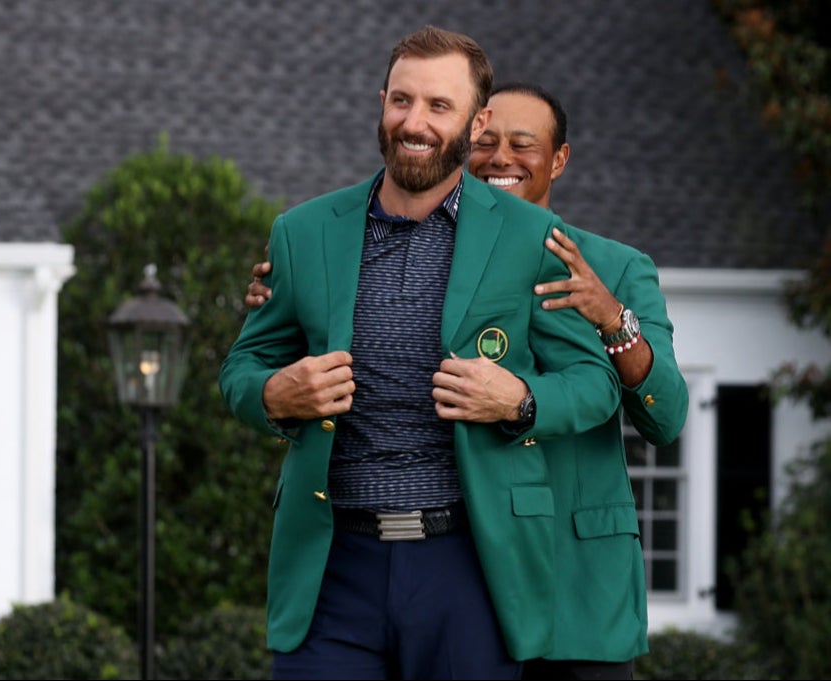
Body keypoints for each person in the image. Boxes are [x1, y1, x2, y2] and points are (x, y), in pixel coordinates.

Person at [245, 81, 690, 680]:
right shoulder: (396, 245)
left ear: (558, 159)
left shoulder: (613, 265)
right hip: (461, 569)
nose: (500, 157)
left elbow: (664, 417)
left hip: (572, 580)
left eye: (523, 144)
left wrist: (612, 318)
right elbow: (296, 343)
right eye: (486, 139)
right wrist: (280, 309)